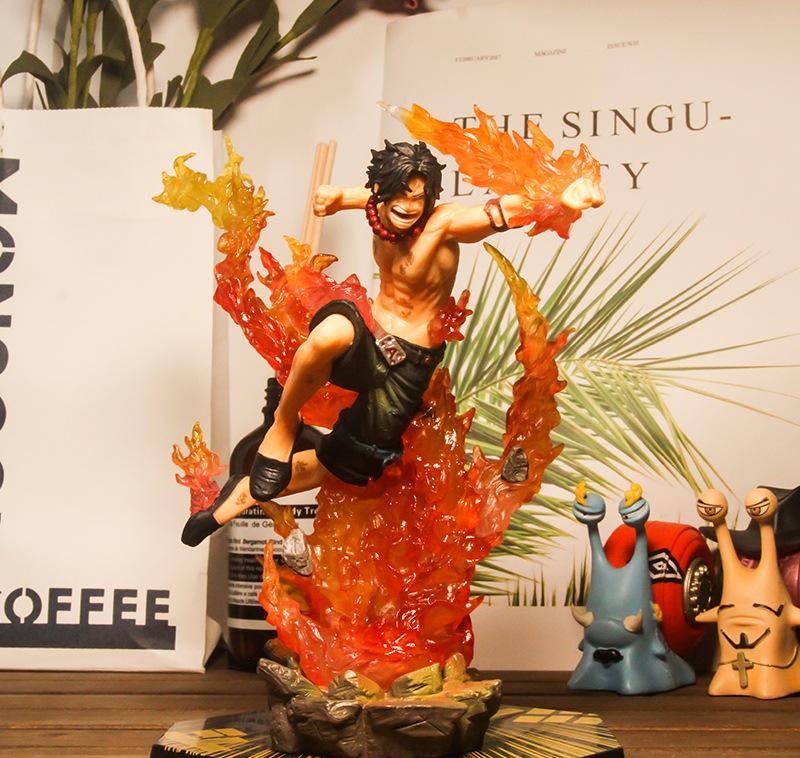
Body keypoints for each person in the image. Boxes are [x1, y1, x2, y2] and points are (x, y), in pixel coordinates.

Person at [182, 140, 603, 556]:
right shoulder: (379, 205)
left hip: (408, 365)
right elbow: (368, 194)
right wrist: (339, 198)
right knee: (327, 335)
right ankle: (283, 424)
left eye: (419, 197)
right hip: (367, 334)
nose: (408, 206)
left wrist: (558, 200)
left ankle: (237, 496)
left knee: (348, 463)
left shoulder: (443, 224)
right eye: (400, 194)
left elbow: (495, 213)